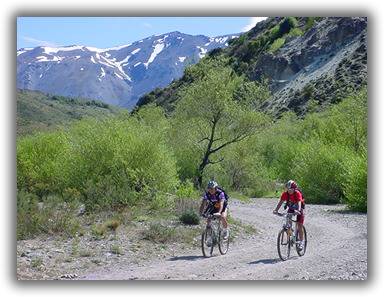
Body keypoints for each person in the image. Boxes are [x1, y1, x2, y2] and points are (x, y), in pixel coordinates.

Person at [273, 180, 305, 250]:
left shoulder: (297, 193)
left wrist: (299, 210)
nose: (289, 190)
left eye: (290, 189)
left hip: (299, 209)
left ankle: (301, 242)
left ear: (294, 189)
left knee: (299, 225)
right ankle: (292, 235)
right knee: (288, 224)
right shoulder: (285, 194)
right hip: (291, 208)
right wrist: (276, 210)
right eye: (287, 189)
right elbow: (280, 202)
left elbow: (299, 202)